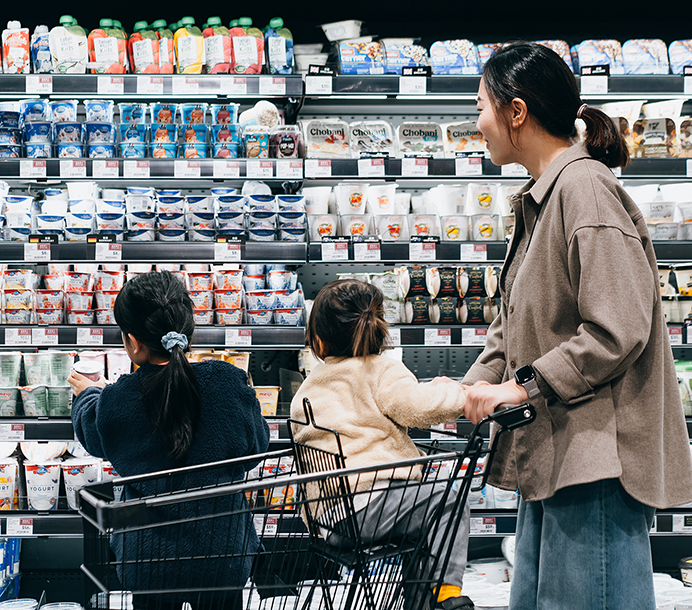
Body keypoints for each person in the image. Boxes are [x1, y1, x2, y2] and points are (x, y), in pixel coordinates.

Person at [460, 41, 692, 610]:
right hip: (554, 455)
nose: (477, 122)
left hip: (595, 467)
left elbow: (618, 329)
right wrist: (456, 391)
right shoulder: (544, 198)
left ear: (517, 113)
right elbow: (512, 328)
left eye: (483, 106)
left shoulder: (584, 190)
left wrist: (522, 385)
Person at [70, 270, 269, 608]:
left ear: (133, 342)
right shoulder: (226, 381)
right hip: (224, 555)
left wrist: (88, 395)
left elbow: (93, 432)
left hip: (148, 560)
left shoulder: (118, 400)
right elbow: (255, 447)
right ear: (187, 330)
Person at [290, 278, 472, 610]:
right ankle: (446, 594)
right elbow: (417, 407)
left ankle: (422, 602)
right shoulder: (381, 369)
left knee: (422, 530)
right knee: (448, 500)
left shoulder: (311, 383)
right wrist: (463, 393)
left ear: (318, 340)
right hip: (368, 505)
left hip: (329, 518)